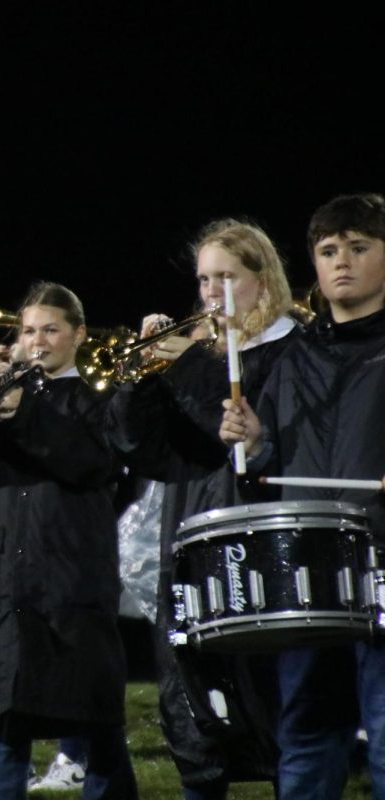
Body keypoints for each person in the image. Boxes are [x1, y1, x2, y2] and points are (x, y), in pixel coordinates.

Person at [106, 219, 299, 797]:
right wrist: (140, 378)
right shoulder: (200, 350)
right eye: (204, 279)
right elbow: (140, 448)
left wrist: (185, 360)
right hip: (189, 538)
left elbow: (243, 416)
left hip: (261, 541)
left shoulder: (291, 346)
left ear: (261, 280)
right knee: (191, 711)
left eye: (226, 277)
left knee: (270, 707)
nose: (212, 291)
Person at [220, 193, 385, 799]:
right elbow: (267, 469)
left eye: (360, 247)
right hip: (310, 574)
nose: (342, 261)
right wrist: (254, 441)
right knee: (308, 739)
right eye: (328, 250)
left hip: (382, 567)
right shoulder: (297, 357)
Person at [0, 282, 137, 800]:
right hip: (4, 576)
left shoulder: (100, 392)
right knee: (6, 720)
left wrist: (19, 410)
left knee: (95, 717)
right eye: (28, 331)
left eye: (50, 330)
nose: (37, 341)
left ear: (77, 334)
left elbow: (89, 461)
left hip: (72, 576)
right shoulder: (2, 393)